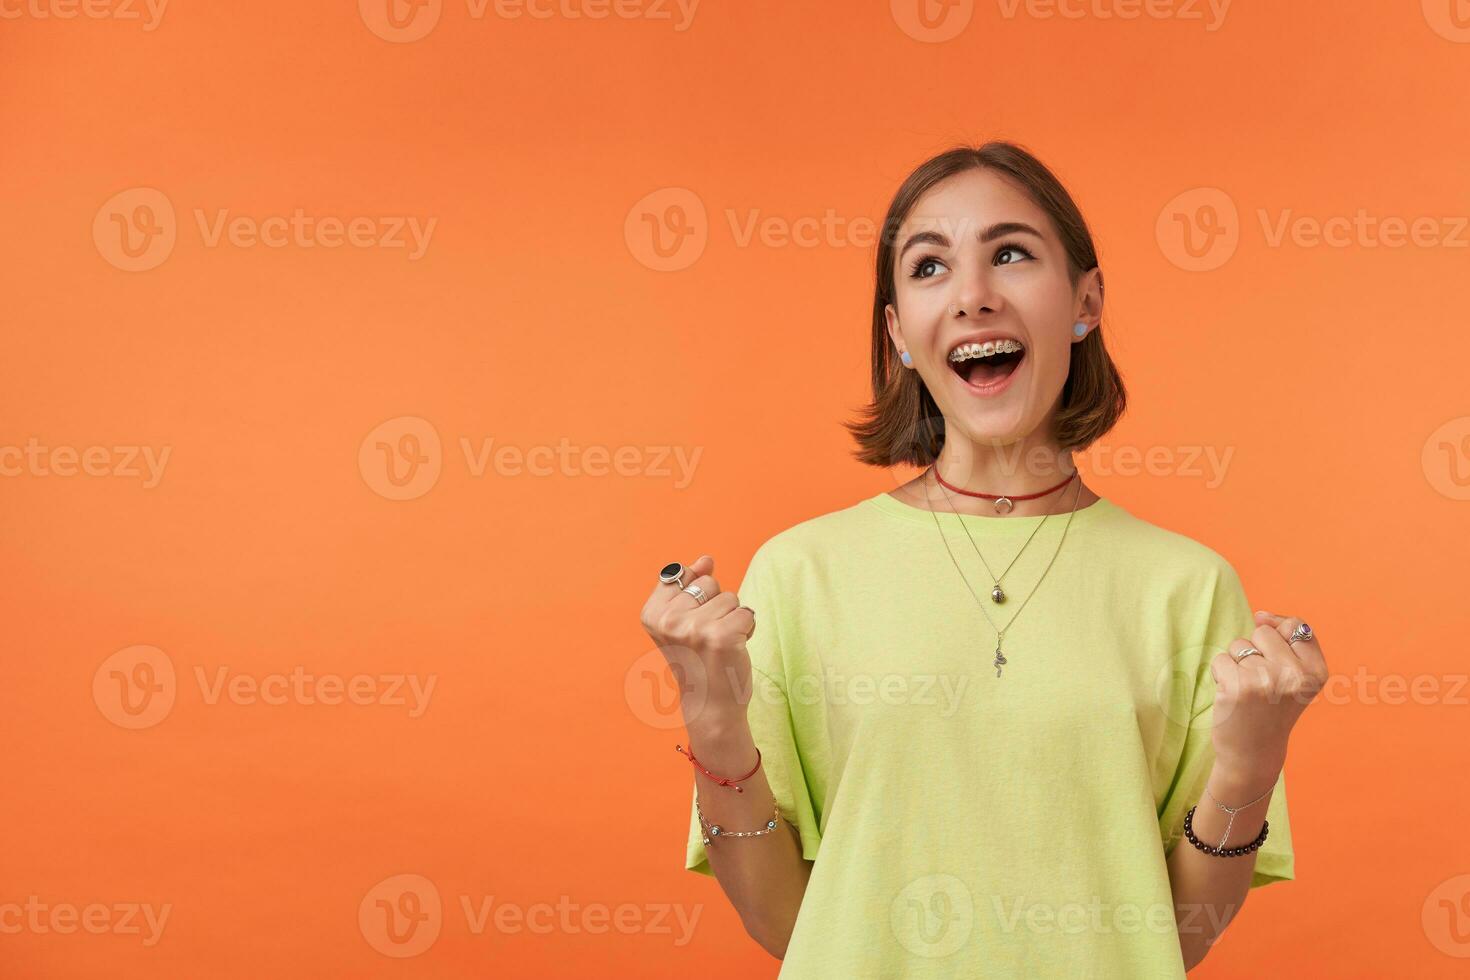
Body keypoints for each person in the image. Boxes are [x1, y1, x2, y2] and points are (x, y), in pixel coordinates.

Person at [640, 141, 1329, 978]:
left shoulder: (1187, 586)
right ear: (899, 332)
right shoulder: (799, 573)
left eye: (1010, 254)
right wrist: (712, 719)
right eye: (929, 268)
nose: (972, 297)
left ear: (1085, 301)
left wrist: (1252, 762)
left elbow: (1167, 938)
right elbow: (790, 924)